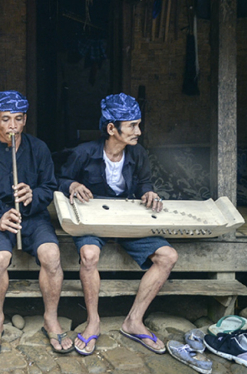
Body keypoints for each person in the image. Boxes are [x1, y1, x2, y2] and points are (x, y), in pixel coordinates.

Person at [57, 93, 178, 356]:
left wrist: (149, 193)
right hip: (93, 220)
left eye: (138, 124)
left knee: (168, 255)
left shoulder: (138, 154)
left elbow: (145, 182)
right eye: (132, 125)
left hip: (127, 220)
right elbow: (61, 179)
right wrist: (74, 185)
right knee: (89, 254)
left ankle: (134, 321)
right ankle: (93, 322)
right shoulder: (84, 153)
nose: (139, 131)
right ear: (112, 128)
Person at [0, 90, 74, 357]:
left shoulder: (39, 149)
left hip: (32, 216)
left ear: (25, 120)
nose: (12, 126)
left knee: (51, 254)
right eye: (5, 119)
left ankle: (50, 317)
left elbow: (49, 187)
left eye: (18, 119)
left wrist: (33, 195)